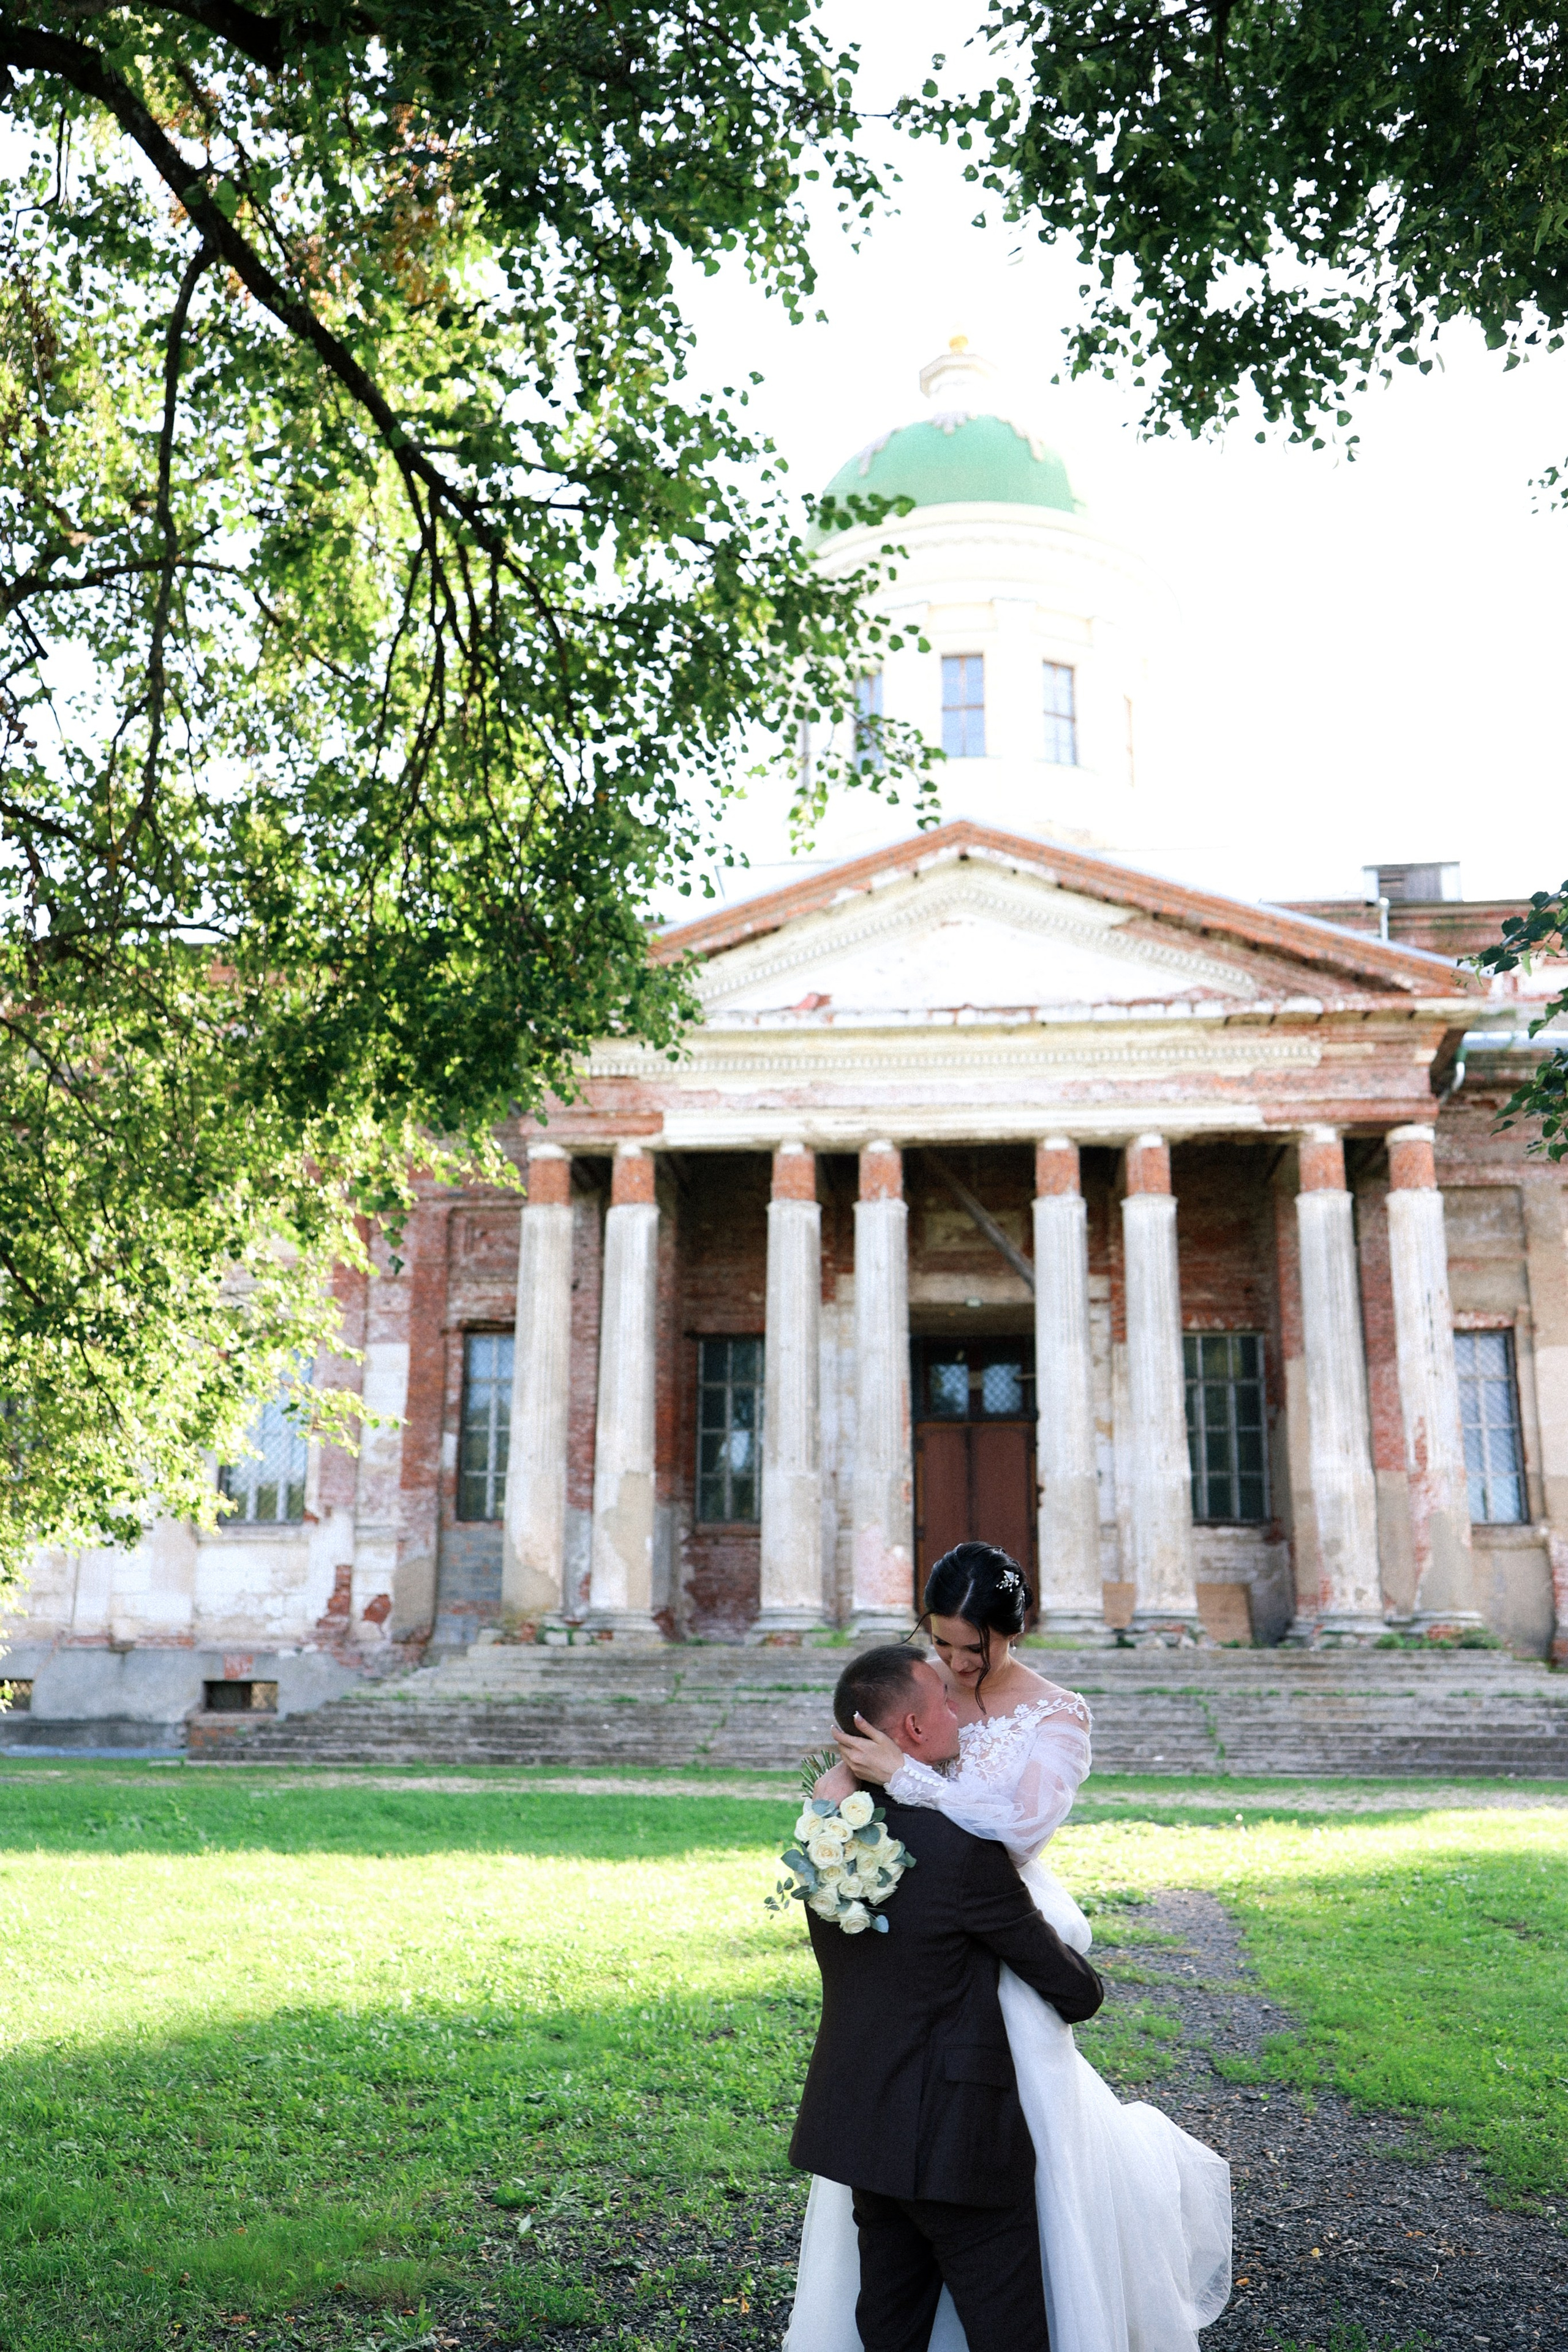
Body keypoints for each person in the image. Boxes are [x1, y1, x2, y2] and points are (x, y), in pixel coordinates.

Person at [787, 1541, 1232, 2352]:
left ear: (1013, 1629)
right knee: (944, 2222)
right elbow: (884, 1765)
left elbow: (1021, 1827)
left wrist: (905, 1777)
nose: (954, 1666)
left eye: (972, 1648)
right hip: (928, 1931)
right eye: (942, 1644)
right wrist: (839, 1793)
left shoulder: (1054, 1714)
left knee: (1013, 2148)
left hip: (993, 1919)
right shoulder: (916, 1696)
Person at [788, 1642, 1104, 2352]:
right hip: (957, 2139)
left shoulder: (823, 1838)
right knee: (1007, 2329)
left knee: (890, 2325)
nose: (961, 1710)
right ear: (914, 1733)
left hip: (863, 2124)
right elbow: (1072, 1993)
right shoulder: (963, 1852)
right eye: (944, 1700)